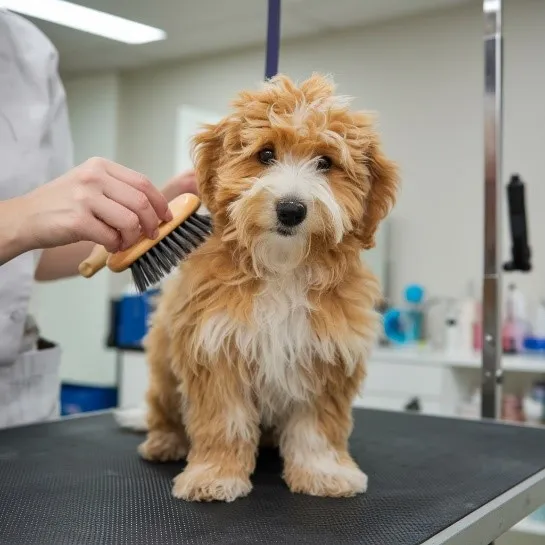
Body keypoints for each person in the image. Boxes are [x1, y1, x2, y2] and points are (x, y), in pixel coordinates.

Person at [0, 9, 197, 428]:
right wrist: (19, 217)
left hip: (18, 391)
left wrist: (147, 211)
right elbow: (25, 226)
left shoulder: (28, 50)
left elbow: (34, 259)